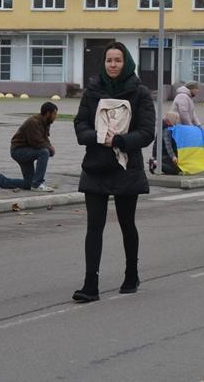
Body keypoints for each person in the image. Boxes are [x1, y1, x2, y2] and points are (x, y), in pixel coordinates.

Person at [72, 42, 155, 303]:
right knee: (93, 227)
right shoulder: (92, 91)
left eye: (118, 60)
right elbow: (80, 124)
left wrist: (119, 141)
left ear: (126, 62)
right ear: (104, 63)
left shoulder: (140, 93)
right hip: (96, 166)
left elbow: (146, 132)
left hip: (126, 168)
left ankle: (131, 274)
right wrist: (98, 137)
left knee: (126, 223)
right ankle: (90, 284)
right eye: (109, 60)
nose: (113, 65)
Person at [0, 102, 58, 192]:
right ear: (48, 113)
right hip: (18, 151)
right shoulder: (33, 122)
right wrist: (49, 148)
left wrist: (50, 146)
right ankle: (38, 184)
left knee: (28, 183)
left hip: (27, 150)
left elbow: (44, 138)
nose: (55, 116)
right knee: (44, 152)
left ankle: (1, 181)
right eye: (54, 114)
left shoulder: (45, 122)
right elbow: (36, 142)